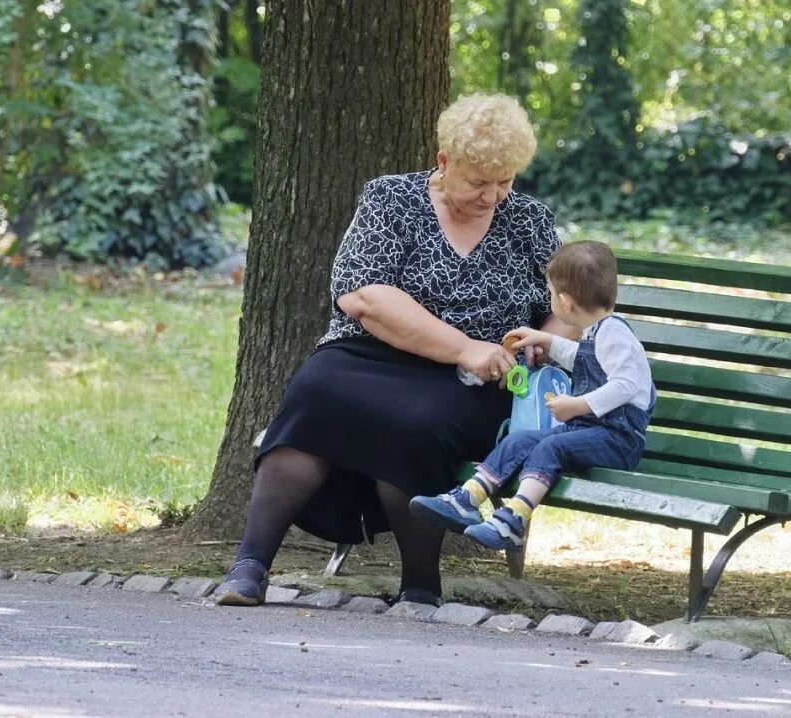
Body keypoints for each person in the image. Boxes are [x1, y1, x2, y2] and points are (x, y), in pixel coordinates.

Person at [213, 94, 566, 608]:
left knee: (418, 421)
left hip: (475, 381)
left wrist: (546, 339)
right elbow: (364, 296)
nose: (493, 195)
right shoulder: (391, 199)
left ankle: (420, 584)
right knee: (316, 390)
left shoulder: (529, 221)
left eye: (505, 181)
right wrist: (463, 346)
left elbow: (562, 304)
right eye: (477, 181)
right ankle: (249, 566)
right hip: (370, 354)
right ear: (444, 163)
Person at [409, 241, 656, 550]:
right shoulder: (600, 331)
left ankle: (513, 522)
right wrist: (546, 340)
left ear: (564, 303)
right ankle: (466, 500)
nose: (549, 298)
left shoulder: (615, 334)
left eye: (550, 293)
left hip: (618, 440)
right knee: (520, 440)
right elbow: (582, 358)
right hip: (591, 432)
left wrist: (577, 405)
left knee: (552, 446)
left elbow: (627, 385)